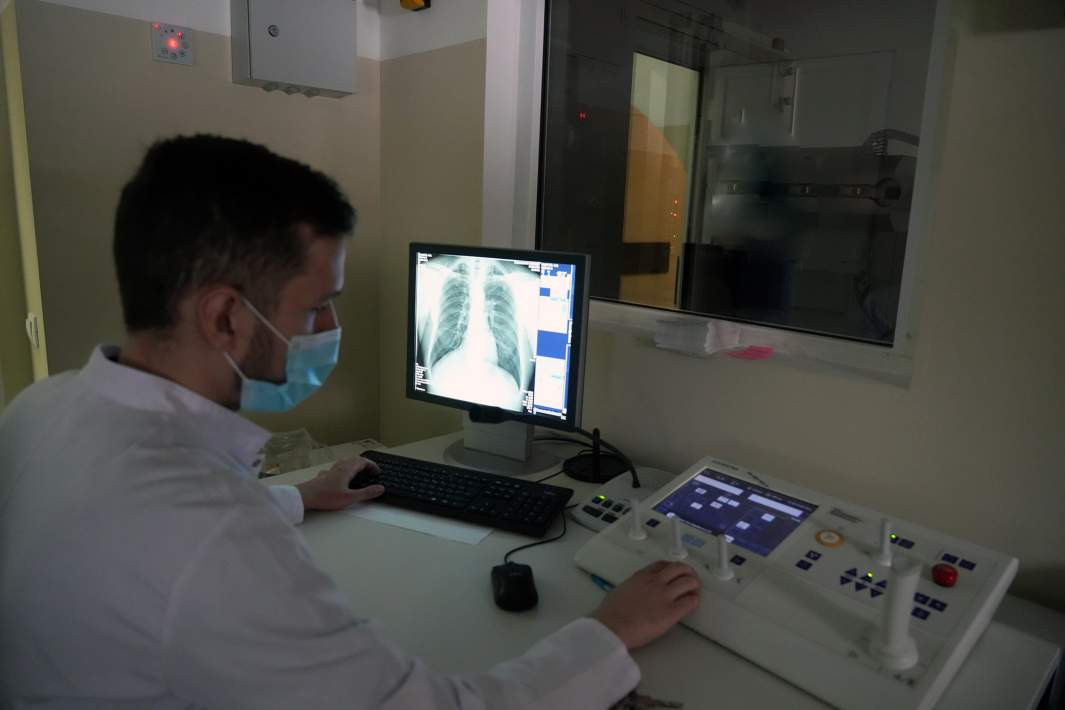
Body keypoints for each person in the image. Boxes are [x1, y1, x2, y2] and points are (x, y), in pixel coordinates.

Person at [0, 135, 701, 709]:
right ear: (225, 317)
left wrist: (297, 497)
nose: (330, 327)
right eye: (316, 307)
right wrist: (608, 633)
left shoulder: (42, 409)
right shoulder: (214, 536)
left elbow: (153, 541)